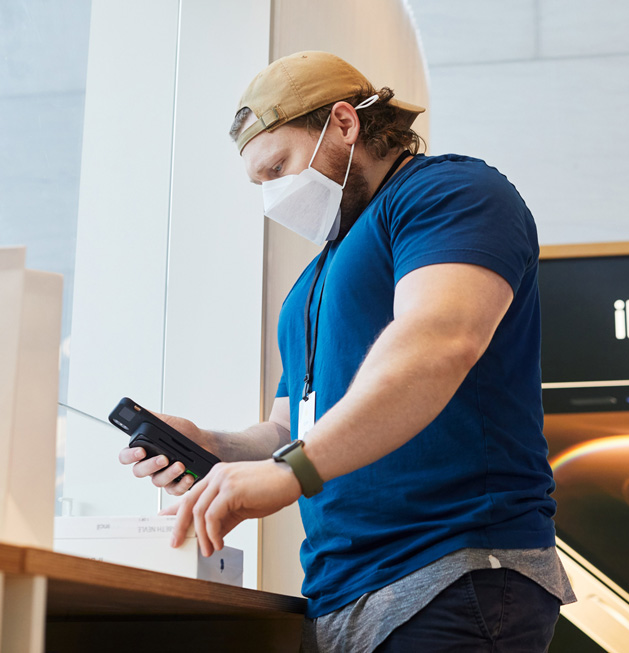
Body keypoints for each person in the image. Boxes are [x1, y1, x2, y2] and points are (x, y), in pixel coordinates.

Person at [119, 50, 574, 652]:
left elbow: (437, 344)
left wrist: (291, 473)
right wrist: (215, 447)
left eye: (279, 167)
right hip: (340, 594)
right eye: (260, 183)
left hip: (452, 572)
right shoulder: (312, 283)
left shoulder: (451, 193)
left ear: (343, 122)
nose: (274, 196)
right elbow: (290, 426)